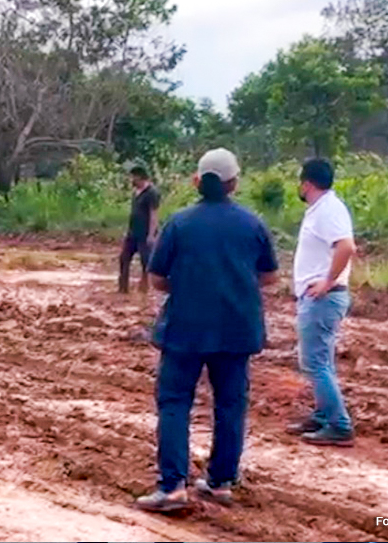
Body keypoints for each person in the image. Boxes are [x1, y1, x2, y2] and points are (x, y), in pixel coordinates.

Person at [135, 148, 279, 512]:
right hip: (236, 329)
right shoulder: (253, 223)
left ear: (197, 181)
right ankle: (220, 482)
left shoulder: (180, 224)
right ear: (234, 183)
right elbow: (270, 276)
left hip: (186, 328)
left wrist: (188, 285)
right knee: (231, 405)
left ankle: (172, 487)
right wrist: (234, 285)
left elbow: (156, 278)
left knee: (174, 403)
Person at [287, 158, 356, 447]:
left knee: (313, 361)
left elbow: (347, 247)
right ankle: (323, 414)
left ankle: (339, 424)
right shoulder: (322, 209)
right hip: (321, 297)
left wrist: (327, 281)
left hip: (324, 298)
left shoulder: (328, 210)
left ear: (307, 183)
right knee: (321, 360)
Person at [119, 165, 160, 294]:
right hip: (133, 232)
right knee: (124, 258)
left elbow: (154, 214)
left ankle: (145, 286)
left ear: (139, 177)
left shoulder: (152, 193)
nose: (131, 180)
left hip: (144, 233)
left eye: (133, 177)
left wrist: (151, 235)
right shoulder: (136, 193)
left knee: (145, 261)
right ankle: (123, 288)